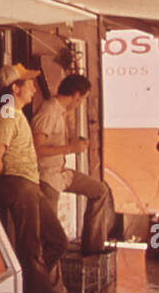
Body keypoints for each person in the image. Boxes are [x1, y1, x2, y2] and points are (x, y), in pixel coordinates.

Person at [0, 63, 71, 293]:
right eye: (29, 84)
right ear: (15, 88)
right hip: (20, 185)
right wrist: (11, 182)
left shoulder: (18, 114)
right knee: (31, 248)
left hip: (30, 185)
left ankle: (31, 290)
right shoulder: (7, 117)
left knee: (57, 240)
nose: (34, 89)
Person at [31, 73, 110, 253]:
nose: (80, 103)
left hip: (61, 173)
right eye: (82, 99)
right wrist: (70, 148)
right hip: (46, 177)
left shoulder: (61, 111)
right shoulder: (48, 111)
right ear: (76, 95)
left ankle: (92, 251)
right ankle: (49, 280)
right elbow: (36, 149)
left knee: (100, 191)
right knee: (51, 239)